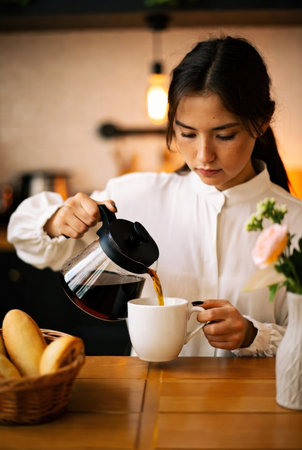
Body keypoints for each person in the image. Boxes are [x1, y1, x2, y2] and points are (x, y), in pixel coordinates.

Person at [8, 35, 302, 357]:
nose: (204, 155)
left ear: (260, 123)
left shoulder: (294, 220)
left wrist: (253, 335)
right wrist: (56, 220)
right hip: (150, 397)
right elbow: (24, 239)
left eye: (224, 135)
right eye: (187, 134)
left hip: (253, 405)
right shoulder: (137, 196)